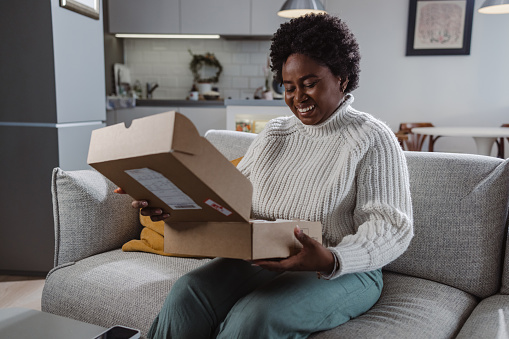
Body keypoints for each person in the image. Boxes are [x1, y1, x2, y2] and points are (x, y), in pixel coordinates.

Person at [124, 13, 413, 339]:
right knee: (187, 292)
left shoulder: (372, 138)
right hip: (271, 254)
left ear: (342, 78)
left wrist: (332, 258)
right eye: (288, 87)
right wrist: (173, 204)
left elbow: (391, 226)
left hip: (345, 268)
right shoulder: (275, 133)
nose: (298, 98)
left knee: (255, 316)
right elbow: (230, 200)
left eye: (310, 83)